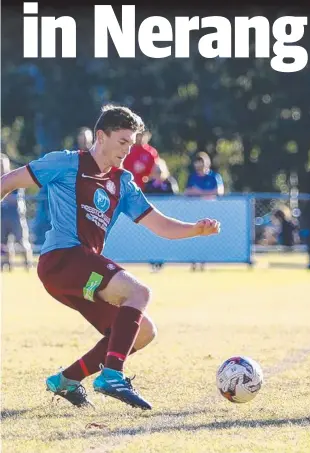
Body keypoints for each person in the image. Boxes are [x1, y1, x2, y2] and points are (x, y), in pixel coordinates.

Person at [0, 105, 220, 410]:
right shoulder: (65, 163)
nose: (127, 150)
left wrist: (195, 229)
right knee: (139, 292)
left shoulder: (123, 182)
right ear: (100, 136)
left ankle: (65, 380)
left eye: (131, 144)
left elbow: (159, 224)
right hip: (62, 259)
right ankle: (112, 374)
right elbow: (7, 182)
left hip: (78, 268)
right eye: (122, 141)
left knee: (142, 333)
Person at [1, 153, 34, 271]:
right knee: (4, 244)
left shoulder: (13, 176)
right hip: (3, 215)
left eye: (2, 164)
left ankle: (28, 265)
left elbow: (16, 198)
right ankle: (7, 266)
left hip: (16, 215)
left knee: (23, 242)